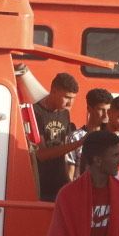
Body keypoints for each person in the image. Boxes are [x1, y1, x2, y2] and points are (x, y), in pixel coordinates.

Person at [29, 72, 83, 201]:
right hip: (41, 184)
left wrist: (67, 179)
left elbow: (63, 150)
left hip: (59, 181)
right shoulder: (36, 112)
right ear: (53, 91)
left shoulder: (64, 113)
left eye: (73, 98)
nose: (70, 103)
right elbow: (41, 154)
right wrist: (78, 143)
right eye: (67, 97)